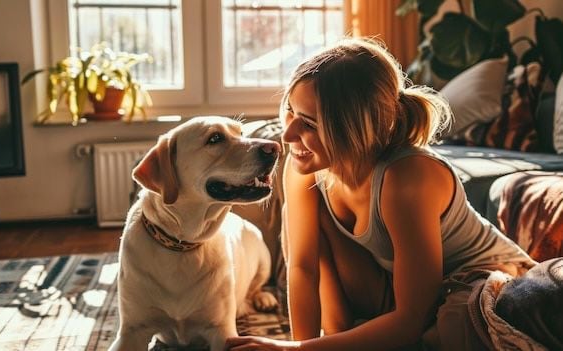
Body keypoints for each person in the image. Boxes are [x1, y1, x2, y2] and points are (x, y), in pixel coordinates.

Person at [224, 37, 537, 350]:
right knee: (318, 226)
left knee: (448, 325)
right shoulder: (303, 165)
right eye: (290, 112)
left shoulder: (407, 177)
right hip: (407, 291)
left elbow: (411, 318)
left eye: (308, 123)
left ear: (354, 128)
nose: (289, 134)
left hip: (485, 284)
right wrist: (299, 345)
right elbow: (303, 267)